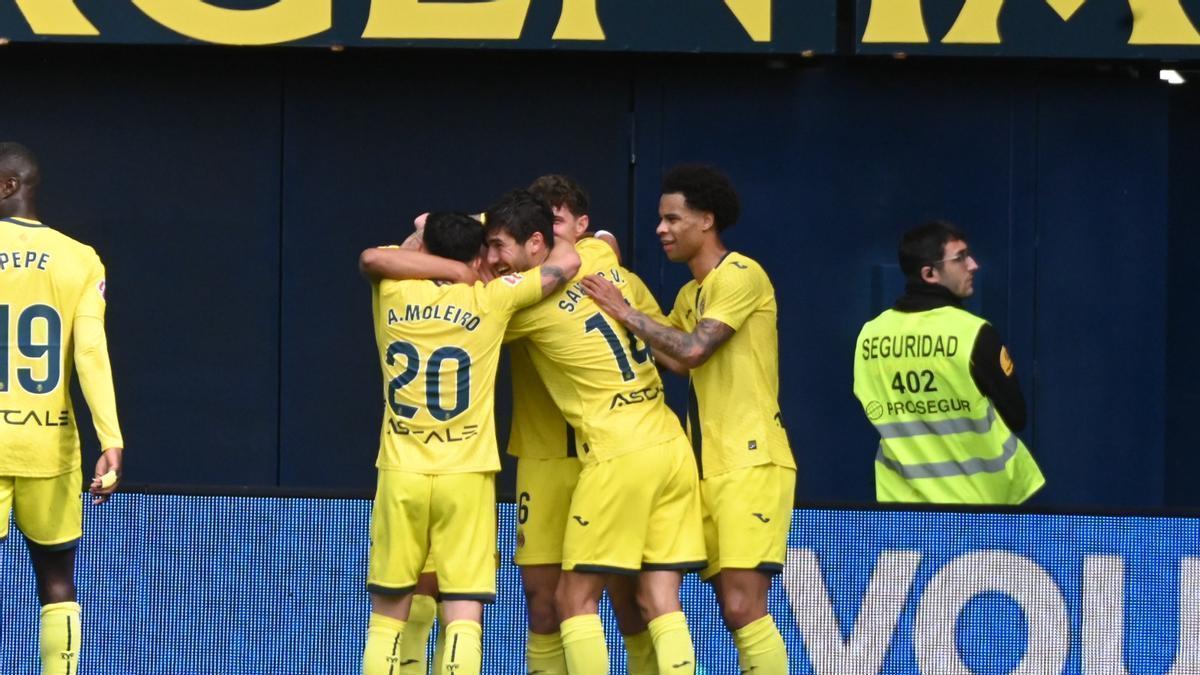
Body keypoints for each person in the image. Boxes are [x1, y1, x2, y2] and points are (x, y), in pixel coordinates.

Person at [369, 189, 705, 674]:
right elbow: (583, 249)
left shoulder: (443, 296)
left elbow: (384, 252)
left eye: (502, 245)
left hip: (605, 452)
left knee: (572, 601)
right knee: (654, 599)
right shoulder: (585, 261)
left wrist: (462, 257)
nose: (494, 258)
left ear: (538, 239)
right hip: (657, 441)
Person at [582, 164, 794, 672]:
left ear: (707, 221)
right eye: (660, 220)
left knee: (745, 606)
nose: (661, 229)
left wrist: (624, 309)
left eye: (673, 219)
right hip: (707, 466)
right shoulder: (687, 295)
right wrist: (610, 282)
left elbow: (694, 349)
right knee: (726, 607)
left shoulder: (742, 274)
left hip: (752, 462)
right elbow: (670, 356)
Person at [357, 210, 580, 675]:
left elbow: (379, 256)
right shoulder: (492, 299)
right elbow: (566, 264)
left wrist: (440, 250)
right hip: (466, 475)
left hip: (401, 472)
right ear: (479, 254)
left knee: (386, 618)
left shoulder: (391, 291)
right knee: (464, 614)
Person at [512, 175, 656, 674]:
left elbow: (601, 247)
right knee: (542, 599)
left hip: (609, 448)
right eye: (539, 223)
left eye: (556, 220)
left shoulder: (595, 258)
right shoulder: (527, 274)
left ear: (580, 223)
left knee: (625, 597)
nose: (547, 232)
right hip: (544, 450)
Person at [0, 142, 125, 674]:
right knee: (56, 583)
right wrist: (111, 440)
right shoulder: (80, 257)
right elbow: (91, 352)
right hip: (49, 442)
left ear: (9, 186)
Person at [851, 220, 1044, 504]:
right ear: (929, 274)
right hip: (977, 505)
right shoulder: (973, 333)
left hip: (900, 506)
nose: (973, 265)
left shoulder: (869, 336)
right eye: (960, 258)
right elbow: (1016, 416)